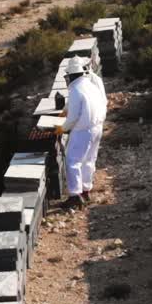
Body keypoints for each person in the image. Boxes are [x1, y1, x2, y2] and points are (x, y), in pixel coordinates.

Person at [57, 56, 107, 208]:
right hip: (97, 128)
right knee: (89, 160)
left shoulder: (76, 90)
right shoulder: (90, 84)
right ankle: (86, 191)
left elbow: (73, 118)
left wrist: (62, 128)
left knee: (73, 161)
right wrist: (65, 109)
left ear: (71, 75)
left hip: (83, 131)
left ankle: (74, 195)